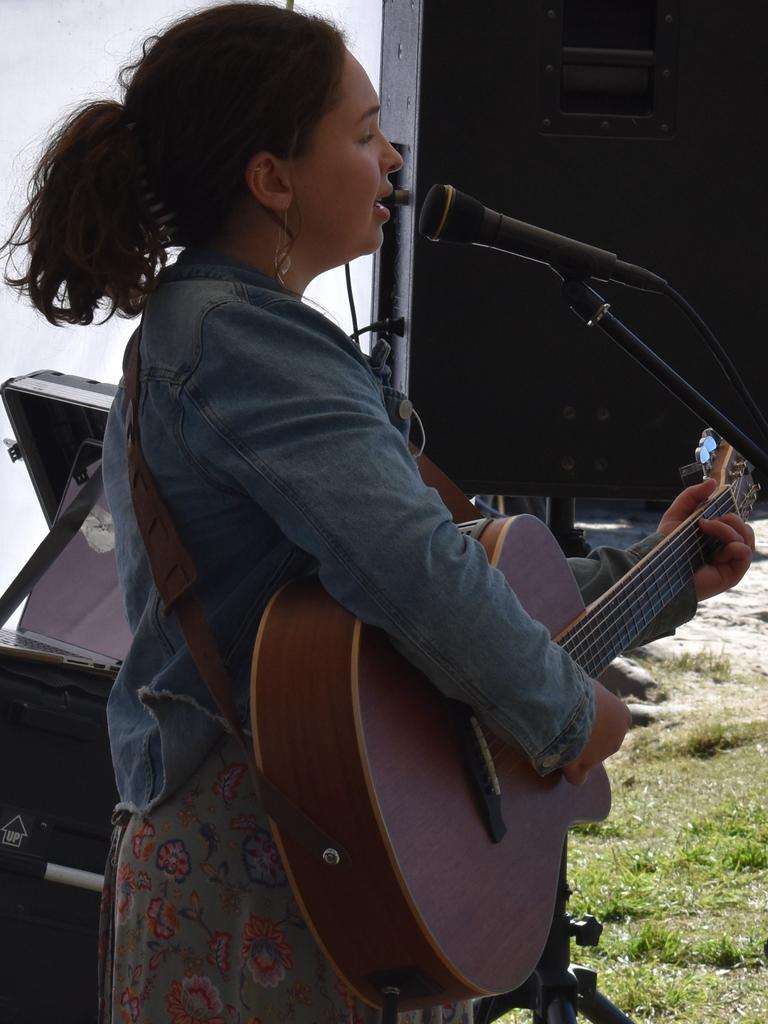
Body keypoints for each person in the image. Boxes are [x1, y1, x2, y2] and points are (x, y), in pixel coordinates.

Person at [2, 3, 754, 1022]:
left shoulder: (248, 336)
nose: (394, 158)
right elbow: (423, 578)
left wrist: (651, 575)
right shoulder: (238, 344)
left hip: (316, 864)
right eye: (361, 134)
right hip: (271, 872)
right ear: (271, 179)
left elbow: (440, 592)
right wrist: (571, 717)